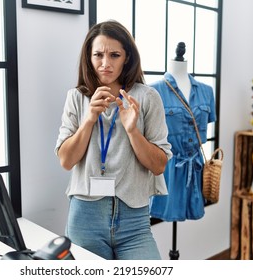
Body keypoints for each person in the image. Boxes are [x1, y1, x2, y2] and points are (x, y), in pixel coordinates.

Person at [54, 20, 172, 260]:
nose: (105, 64)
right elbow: (66, 161)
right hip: (85, 216)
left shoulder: (148, 98)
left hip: (134, 220)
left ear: (126, 57)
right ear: (89, 57)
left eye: (114, 55)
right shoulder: (76, 98)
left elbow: (159, 165)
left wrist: (133, 131)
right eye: (98, 55)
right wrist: (89, 119)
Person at [149, 42, 217, 222]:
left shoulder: (206, 91)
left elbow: (207, 124)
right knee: (168, 212)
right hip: (167, 170)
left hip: (195, 168)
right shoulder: (153, 91)